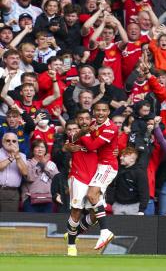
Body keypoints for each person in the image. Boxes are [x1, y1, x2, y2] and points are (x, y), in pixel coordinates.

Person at [72, 101, 118, 250]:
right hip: (97, 166)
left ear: (108, 112)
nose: (100, 113)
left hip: (108, 166)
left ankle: (105, 232)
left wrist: (83, 132)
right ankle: (76, 232)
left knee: (92, 196)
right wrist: (82, 132)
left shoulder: (111, 128)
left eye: (104, 110)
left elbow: (92, 146)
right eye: (97, 110)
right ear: (93, 111)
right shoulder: (91, 123)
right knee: (93, 208)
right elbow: (72, 139)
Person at [63, 110, 99, 256]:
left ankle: (73, 233)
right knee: (76, 210)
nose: (84, 120)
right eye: (81, 119)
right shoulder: (75, 136)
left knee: (97, 214)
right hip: (78, 177)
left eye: (86, 118)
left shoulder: (98, 136)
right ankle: (71, 245)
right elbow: (67, 144)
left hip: (95, 179)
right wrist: (67, 146)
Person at [106, 147, 149, 215]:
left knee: (132, 225)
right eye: (121, 155)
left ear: (132, 159)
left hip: (134, 206)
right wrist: (109, 202)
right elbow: (111, 187)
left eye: (124, 156)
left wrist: (141, 210)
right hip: (117, 205)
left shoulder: (140, 173)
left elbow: (144, 192)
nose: (121, 158)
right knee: (116, 225)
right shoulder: (117, 170)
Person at [22, 139, 59, 213]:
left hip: (47, 200)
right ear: (33, 150)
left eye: (42, 147)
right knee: (31, 224)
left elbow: (56, 180)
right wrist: (39, 165)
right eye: (37, 147)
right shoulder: (27, 163)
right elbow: (30, 178)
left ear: (46, 150)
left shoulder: (51, 164)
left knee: (47, 223)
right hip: (30, 199)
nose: (40, 149)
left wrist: (45, 165)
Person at [0, 132, 28, 212]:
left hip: (12, 193)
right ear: (3, 142)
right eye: (8, 140)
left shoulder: (22, 156)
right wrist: (11, 158)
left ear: (17, 143)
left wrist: (17, 157)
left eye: (14, 141)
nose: (11, 143)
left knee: (8, 221)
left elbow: (25, 172)